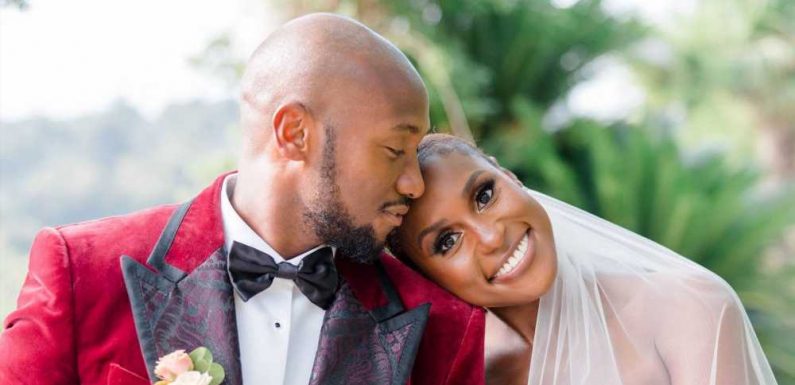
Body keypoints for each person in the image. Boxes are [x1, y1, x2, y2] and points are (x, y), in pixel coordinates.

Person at [0, 15, 485, 385]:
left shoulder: (445, 327)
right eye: (394, 150)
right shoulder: (83, 273)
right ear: (294, 133)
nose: (413, 184)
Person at [387, 134, 778, 385]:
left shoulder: (693, 309)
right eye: (448, 241)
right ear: (429, 278)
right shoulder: (477, 376)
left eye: (485, 195)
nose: (491, 236)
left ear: (511, 177)